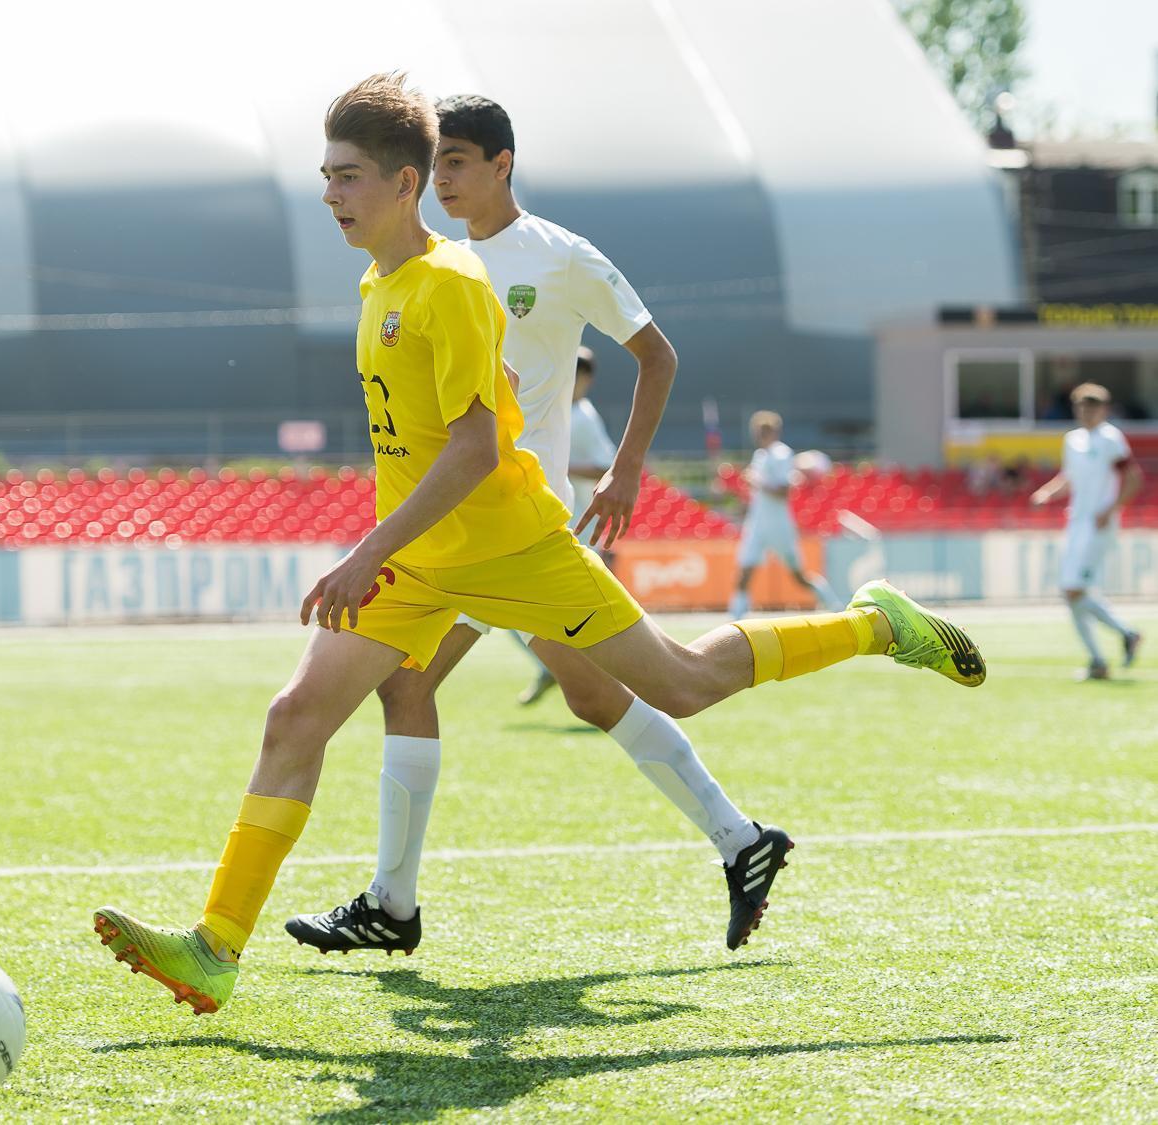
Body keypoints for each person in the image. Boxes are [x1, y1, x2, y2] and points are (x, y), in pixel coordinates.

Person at [91, 73, 986, 1015]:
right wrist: (398, 536)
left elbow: (477, 447)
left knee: (681, 680)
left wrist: (368, 549)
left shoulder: (453, 284)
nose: (329, 195)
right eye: (325, 176)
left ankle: (875, 626)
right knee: (297, 715)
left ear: (401, 183)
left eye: (347, 177)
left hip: (514, 547)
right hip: (423, 559)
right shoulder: (381, 280)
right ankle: (218, 947)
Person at [518, 345, 618, 704]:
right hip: (547, 520)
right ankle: (556, 667)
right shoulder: (552, 409)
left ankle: (603, 685)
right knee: (515, 608)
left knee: (579, 611)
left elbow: (606, 467)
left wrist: (559, 465)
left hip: (577, 524)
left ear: (586, 380)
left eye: (578, 375)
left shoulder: (584, 417)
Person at [1031, 383, 1143, 679]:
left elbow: (1134, 478)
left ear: (1104, 409)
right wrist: (1046, 493)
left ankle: (1125, 635)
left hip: (1098, 524)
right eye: (1081, 406)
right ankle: (1100, 659)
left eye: (1092, 407)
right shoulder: (1073, 440)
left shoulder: (1111, 438)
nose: (1086, 412)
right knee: (1072, 593)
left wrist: (1111, 509)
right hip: (1076, 523)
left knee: (1073, 589)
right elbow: (1068, 478)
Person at [727, 412, 843, 619]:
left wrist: (757, 482)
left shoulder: (781, 454)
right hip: (757, 524)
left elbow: (783, 491)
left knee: (798, 577)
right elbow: (757, 494)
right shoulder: (759, 456)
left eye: (764, 431)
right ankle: (735, 617)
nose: (760, 435)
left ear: (775, 432)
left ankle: (833, 604)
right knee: (745, 570)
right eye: (757, 431)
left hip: (779, 525)